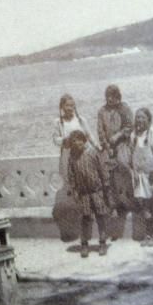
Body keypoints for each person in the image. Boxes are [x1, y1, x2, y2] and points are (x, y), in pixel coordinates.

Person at [51, 94, 97, 242]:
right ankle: (73, 228)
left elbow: (89, 136)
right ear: (62, 107)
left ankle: (87, 222)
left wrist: (98, 148)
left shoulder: (81, 120)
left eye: (72, 105)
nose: (70, 108)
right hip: (67, 158)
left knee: (85, 186)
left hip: (82, 157)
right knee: (71, 189)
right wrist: (63, 140)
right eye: (67, 106)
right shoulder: (58, 123)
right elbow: (55, 139)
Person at [64, 129, 111, 257]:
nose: (75, 144)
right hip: (83, 193)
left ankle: (102, 243)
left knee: (101, 217)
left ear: (84, 140)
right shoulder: (72, 157)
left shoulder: (92, 153)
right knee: (85, 219)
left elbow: (102, 170)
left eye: (78, 141)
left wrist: (106, 188)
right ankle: (84, 244)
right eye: (73, 142)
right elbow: (71, 175)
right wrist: (74, 191)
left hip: (97, 192)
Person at [97, 84, 134, 241]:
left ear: (118, 96)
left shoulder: (124, 108)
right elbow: (100, 131)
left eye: (113, 96)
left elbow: (129, 127)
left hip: (122, 146)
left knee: (124, 175)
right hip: (108, 150)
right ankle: (115, 208)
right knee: (109, 181)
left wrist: (117, 137)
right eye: (108, 96)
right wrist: (107, 145)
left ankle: (128, 205)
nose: (110, 99)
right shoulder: (102, 111)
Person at [130, 107, 153, 247]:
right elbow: (132, 155)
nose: (139, 120)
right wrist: (134, 172)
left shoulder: (152, 133)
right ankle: (148, 234)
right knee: (144, 205)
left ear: (148, 120)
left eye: (142, 117)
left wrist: (152, 172)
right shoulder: (133, 135)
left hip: (152, 174)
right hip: (140, 176)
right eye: (137, 117)